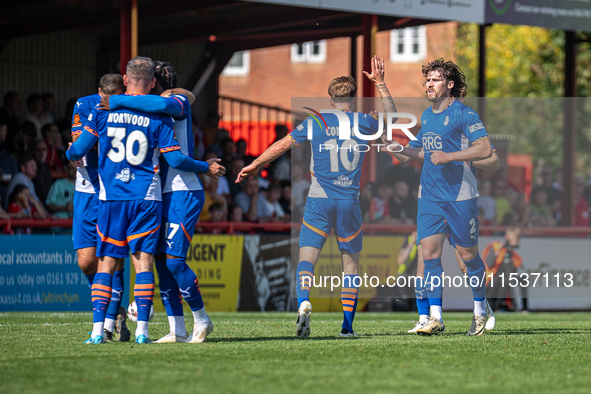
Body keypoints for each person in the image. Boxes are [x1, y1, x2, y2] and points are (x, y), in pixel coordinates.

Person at [236, 55, 396, 338]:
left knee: (307, 259)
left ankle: (304, 302)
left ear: (331, 100)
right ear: (354, 100)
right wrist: (381, 84)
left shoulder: (316, 121)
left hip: (319, 200)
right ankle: (347, 327)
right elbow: (393, 120)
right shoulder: (363, 122)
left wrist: (255, 165)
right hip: (348, 201)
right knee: (350, 265)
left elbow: (281, 146)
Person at [94, 59, 224, 344]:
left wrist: (116, 101)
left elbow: (167, 106)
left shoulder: (176, 101)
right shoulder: (146, 107)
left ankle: (202, 320)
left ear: (156, 85)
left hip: (182, 190)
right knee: (161, 263)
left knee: (175, 262)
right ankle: (177, 329)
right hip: (157, 194)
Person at [385, 58, 495, 336]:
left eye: (434, 80)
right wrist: (397, 149)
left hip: (460, 197)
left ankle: (480, 309)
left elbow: (485, 149)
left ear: (449, 84)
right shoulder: (427, 116)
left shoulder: (464, 114)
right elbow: (420, 151)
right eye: (427, 80)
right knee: (430, 255)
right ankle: (434, 317)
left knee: (468, 258)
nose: (429, 84)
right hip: (430, 197)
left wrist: (451, 156)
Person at [69, 73, 129, 342]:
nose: (112, 101)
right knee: (85, 262)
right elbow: (79, 142)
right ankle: (111, 310)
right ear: (100, 93)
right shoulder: (85, 105)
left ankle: (109, 318)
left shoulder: (131, 107)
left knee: (112, 261)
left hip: (113, 190)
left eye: (117, 96)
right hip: (85, 188)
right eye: (108, 97)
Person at [481, 227, 524, 311]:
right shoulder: (495, 246)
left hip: (503, 281)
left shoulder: (512, 253)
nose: (516, 241)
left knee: (520, 279)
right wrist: (499, 250)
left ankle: (522, 307)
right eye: (514, 239)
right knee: (504, 279)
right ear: (507, 238)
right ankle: (497, 306)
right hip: (490, 280)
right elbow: (489, 264)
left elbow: (513, 270)